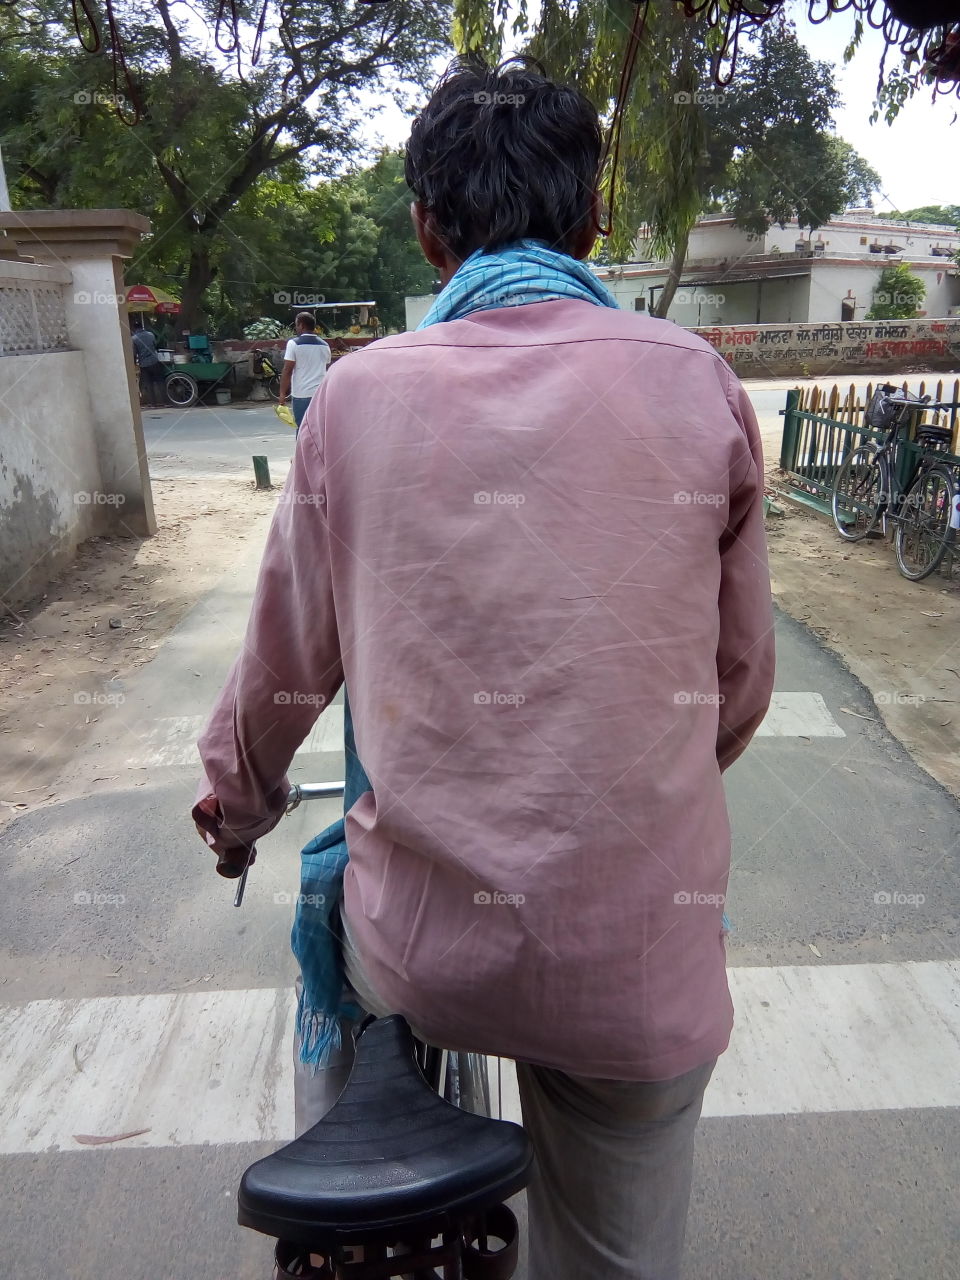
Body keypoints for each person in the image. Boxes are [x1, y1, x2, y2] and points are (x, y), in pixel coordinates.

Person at [193, 55, 774, 1280]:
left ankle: (346, 1206)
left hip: (424, 958)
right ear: (593, 220)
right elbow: (736, 686)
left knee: (330, 908)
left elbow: (285, 673)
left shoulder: (352, 400)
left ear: (425, 227)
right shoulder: (699, 382)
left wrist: (236, 810)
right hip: (639, 958)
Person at [279, 311, 331, 429]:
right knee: (319, 429)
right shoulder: (325, 345)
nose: (296, 328)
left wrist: (282, 394)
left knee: (303, 429)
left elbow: (287, 370)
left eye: (296, 325)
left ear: (301, 325)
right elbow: (327, 368)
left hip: (301, 394)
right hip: (320, 394)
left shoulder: (293, 344)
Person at [131, 323, 166, 408]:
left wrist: (134, 364)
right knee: (160, 382)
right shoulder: (151, 334)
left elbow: (134, 353)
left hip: (144, 364)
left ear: (135, 329)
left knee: (148, 384)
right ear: (142, 327)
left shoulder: (134, 338)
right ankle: (166, 402)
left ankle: (153, 404)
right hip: (155, 361)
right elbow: (155, 345)